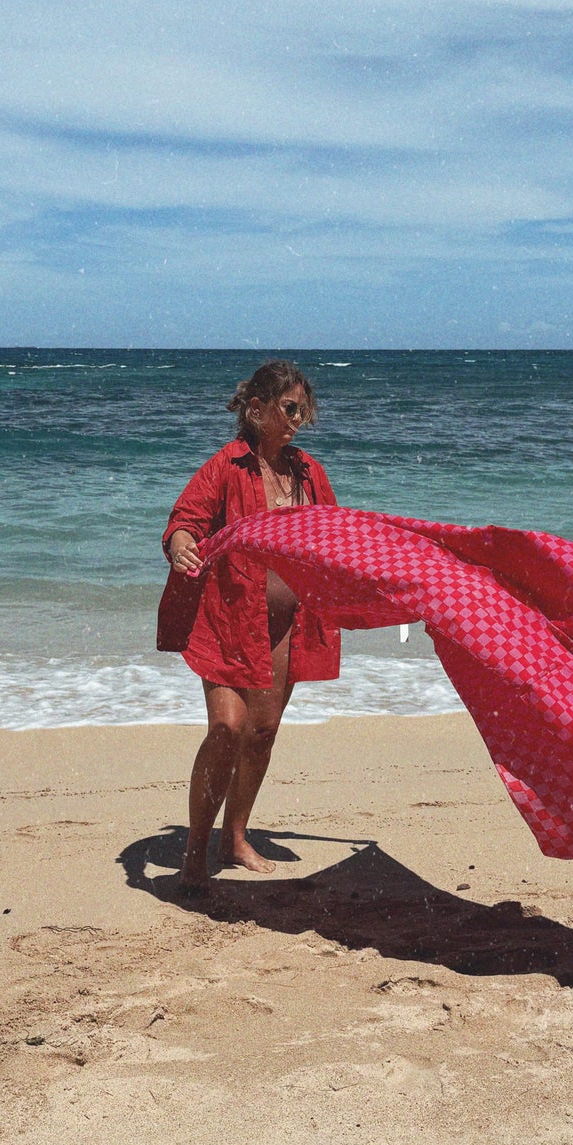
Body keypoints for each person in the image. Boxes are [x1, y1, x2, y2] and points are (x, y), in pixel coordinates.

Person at [160, 360, 339, 888]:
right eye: (289, 409)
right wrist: (181, 548)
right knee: (227, 728)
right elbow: (184, 522)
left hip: (284, 625)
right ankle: (196, 850)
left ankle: (235, 839)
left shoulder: (309, 473)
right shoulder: (226, 466)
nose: (298, 420)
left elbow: (337, 537)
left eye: (304, 410)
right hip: (225, 620)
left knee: (261, 733)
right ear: (256, 410)